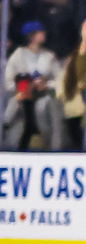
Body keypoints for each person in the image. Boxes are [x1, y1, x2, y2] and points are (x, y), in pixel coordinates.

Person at [4, 22, 61, 150]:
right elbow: (9, 81)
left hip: (43, 96)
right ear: (32, 36)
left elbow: (59, 79)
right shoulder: (19, 54)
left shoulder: (48, 56)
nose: (44, 34)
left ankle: (47, 148)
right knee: (14, 108)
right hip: (22, 96)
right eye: (41, 32)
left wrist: (47, 84)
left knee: (43, 112)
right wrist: (22, 87)